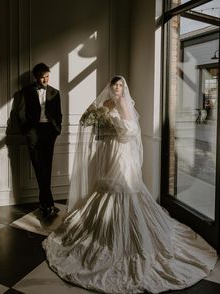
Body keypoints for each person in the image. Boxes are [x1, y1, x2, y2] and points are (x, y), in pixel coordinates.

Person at [43, 76, 217, 293]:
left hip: (121, 154)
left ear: (123, 88)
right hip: (107, 151)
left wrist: (112, 121)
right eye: (114, 85)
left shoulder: (123, 103)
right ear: (109, 87)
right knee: (104, 190)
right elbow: (89, 122)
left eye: (120, 85)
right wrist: (97, 117)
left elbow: (131, 131)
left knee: (124, 190)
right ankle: (100, 232)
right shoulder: (105, 103)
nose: (117, 88)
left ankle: (129, 235)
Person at [18, 63, 62, 219]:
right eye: (43, 76)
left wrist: (57, 131)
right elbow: (20, 114)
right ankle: (48, 204)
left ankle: (45, 204)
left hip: (49, 133)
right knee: (39, 168)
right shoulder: (26, 92)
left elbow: (58, 114)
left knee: (47, 168)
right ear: (36, 77)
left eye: (47, 76)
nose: (45, 79)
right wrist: (28, 132)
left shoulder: (55, 93)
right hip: (34, 133)